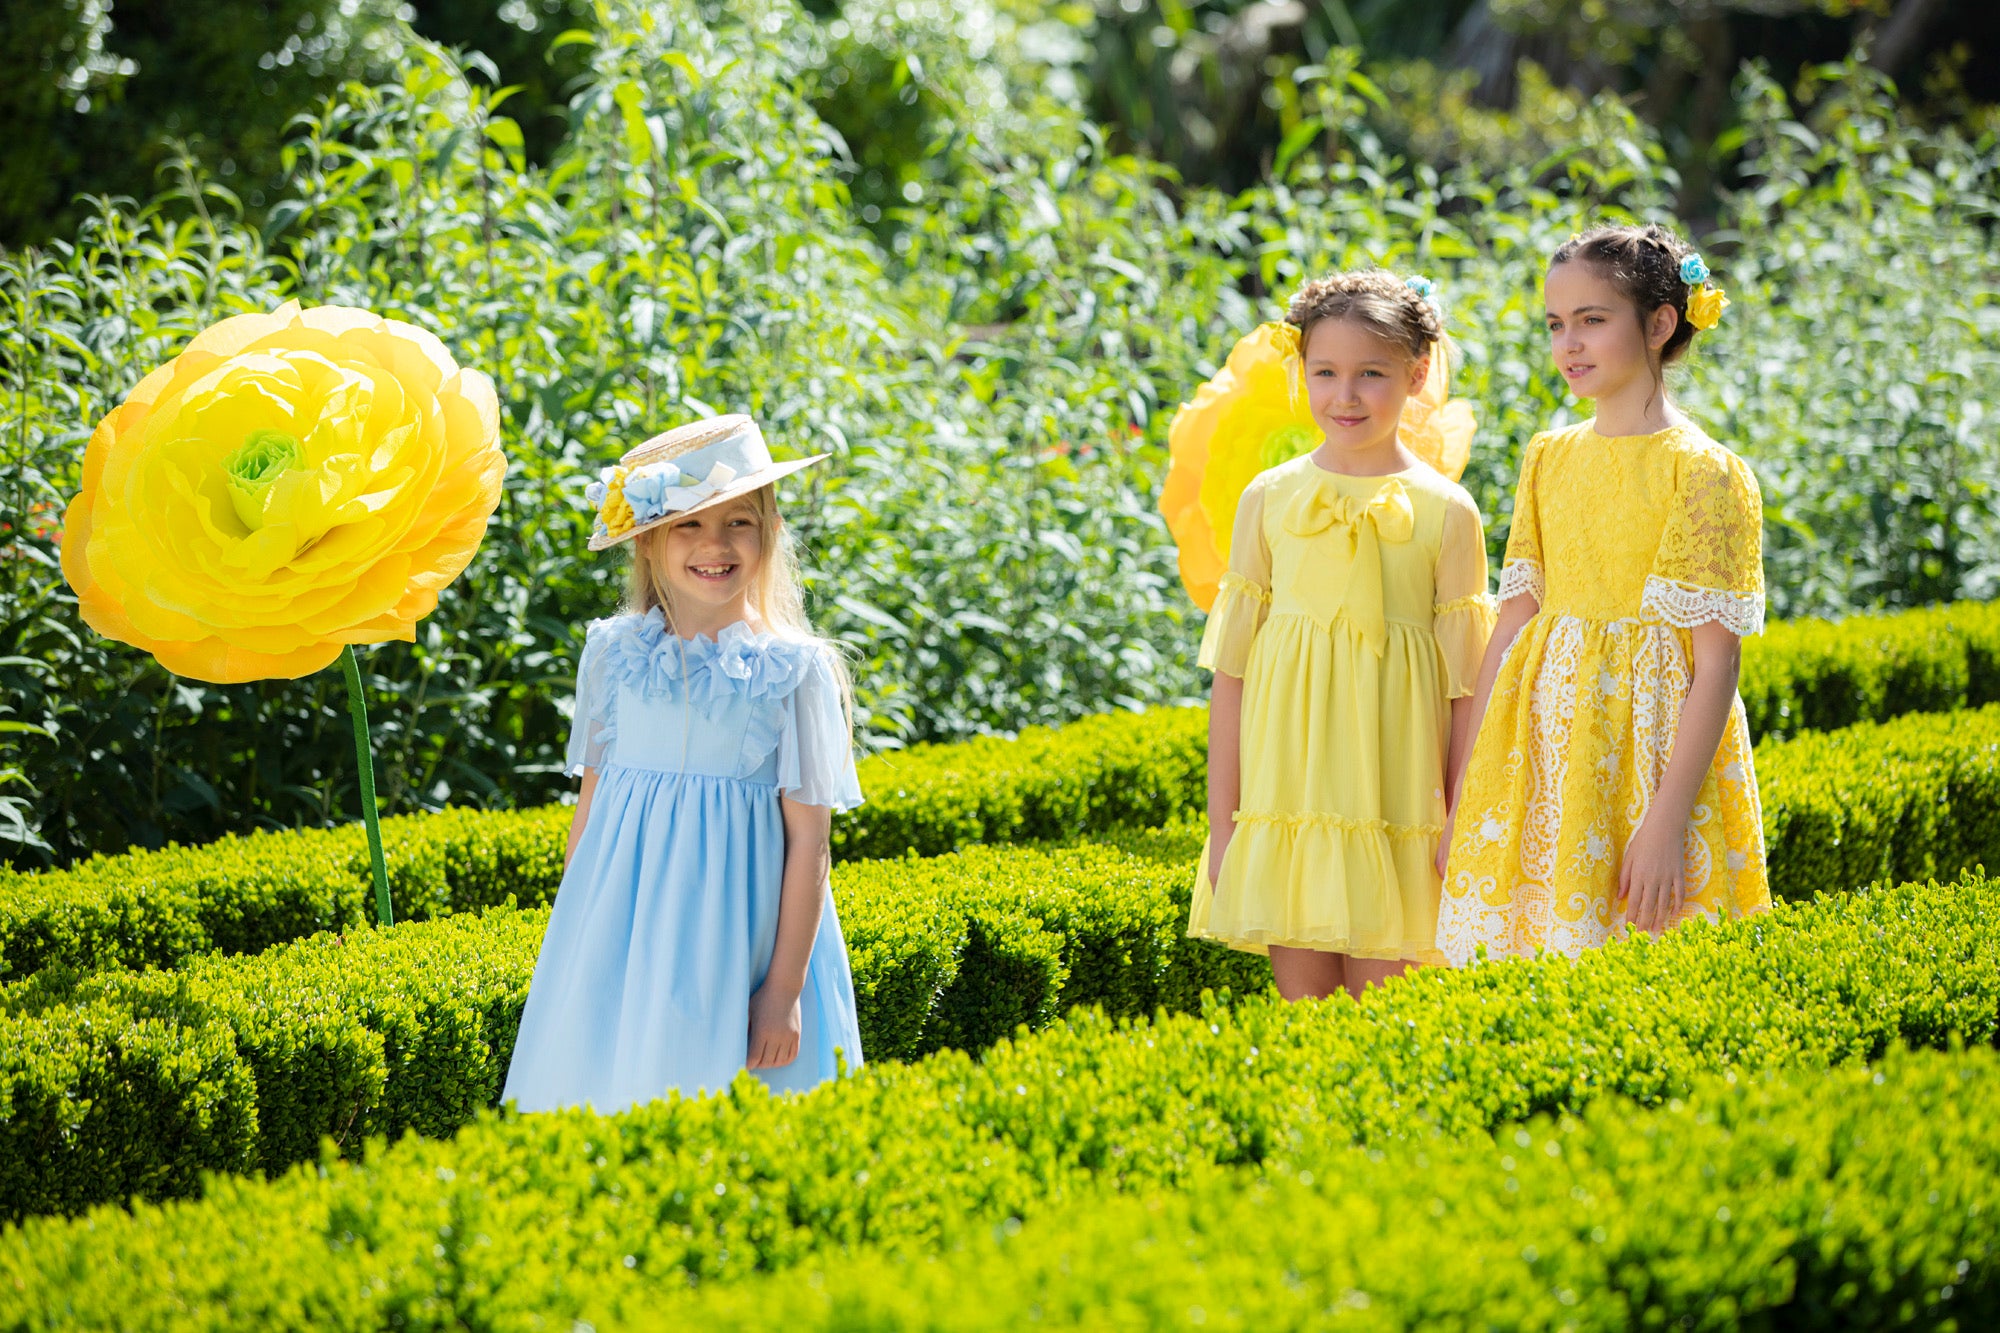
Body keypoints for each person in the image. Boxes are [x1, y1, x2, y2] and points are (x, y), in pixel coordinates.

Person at [504, 413, 865, 1112]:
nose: (715, 544)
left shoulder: (794, 671)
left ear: (770, 534)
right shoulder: (613, 656)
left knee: (736, 1114)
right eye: (688, 525)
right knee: (608, 1103)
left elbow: (810, 843)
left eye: (739, 522)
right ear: (647, 542)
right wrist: (573, 950)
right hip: (625, 940)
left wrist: (783, 992)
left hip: (740, 945)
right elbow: (592, 813)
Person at [1436, 224, 1768, 965]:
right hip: (1545, 754)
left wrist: (1666, 822)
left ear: (1659, 323)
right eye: (1557, 325)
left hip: (1653, 758)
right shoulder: (1547, 456)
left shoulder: (1707, 473)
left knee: (1654, 959)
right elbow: (1513, 622)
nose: (1569, 345)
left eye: (1593, 320)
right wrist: (1467, 794)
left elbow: (1715, 665)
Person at [1190, 272, 1495, 1000]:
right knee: (1305, 1014)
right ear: (1302, 373)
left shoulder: (1447, 511)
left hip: (1396, 811)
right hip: (1287, 804)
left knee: (1384, 1014)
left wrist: (1459, 820)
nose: (1345, 395)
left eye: (1371, 374)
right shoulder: (1267, 499)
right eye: (1324, 373)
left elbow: (1465, 692)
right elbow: (1229, 677)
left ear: (1417, 375)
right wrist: (1224, 824)